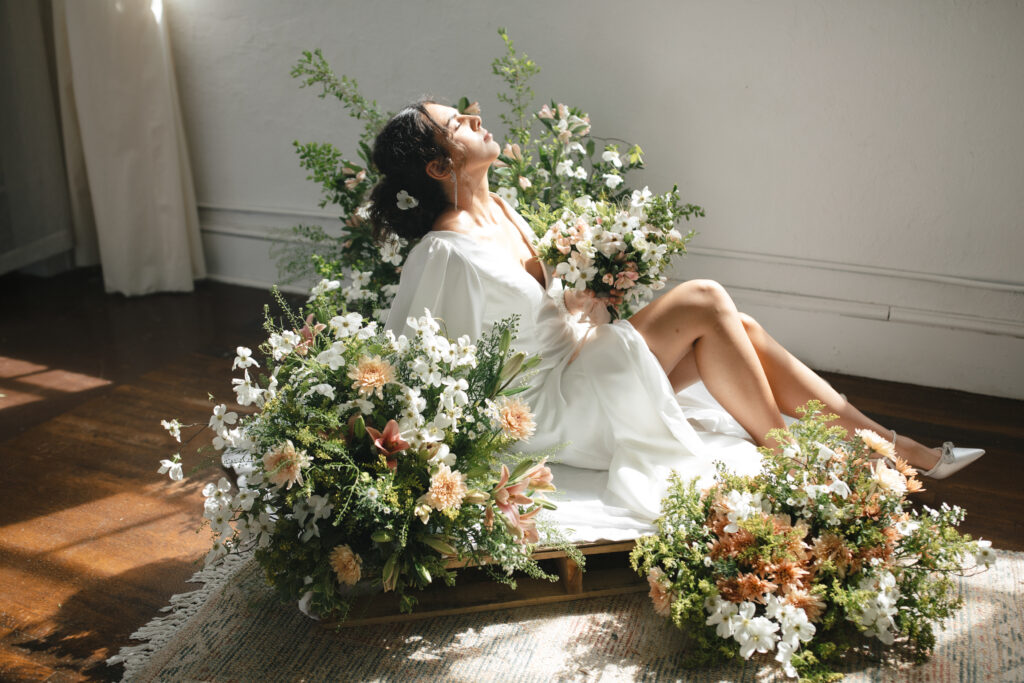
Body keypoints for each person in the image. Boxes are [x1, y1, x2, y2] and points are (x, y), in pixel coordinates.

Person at [371, 100, 983, 524]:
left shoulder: (501, 208)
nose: (475, 118)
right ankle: (793, 464)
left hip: (581, 363)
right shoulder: (446, 251)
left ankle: (900, 449)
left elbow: (544, 311)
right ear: (438, 166)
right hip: (553, 409)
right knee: (706, 299)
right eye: (456, 124)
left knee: (738, 327)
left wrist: (587, 296)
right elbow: (426, 356)